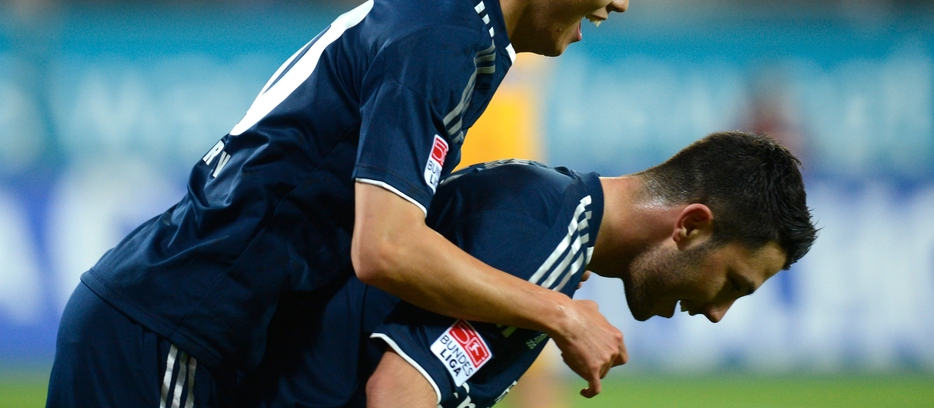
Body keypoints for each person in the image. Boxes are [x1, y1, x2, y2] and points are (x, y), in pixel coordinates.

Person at [46, 0, 671, 407]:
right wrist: (556, 311)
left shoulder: (451, 22)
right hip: (171, 329)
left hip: (186, 327)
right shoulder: (438, 41)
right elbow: (386, 248)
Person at [239, 131, 817, 408]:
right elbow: (399, 395)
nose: (717, 312)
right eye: (733, 284)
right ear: (690, 227)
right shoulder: (547, 239)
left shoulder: (548, 206)